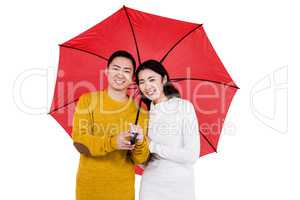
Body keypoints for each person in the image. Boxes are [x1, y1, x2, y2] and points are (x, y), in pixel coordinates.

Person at [72, 50, 150, 200]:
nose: (120, 74)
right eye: (116, 68)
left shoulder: (141, 112)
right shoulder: (88, 100)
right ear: (107, 71)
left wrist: (140, 142)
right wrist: (113, 142)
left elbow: (140, 159)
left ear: (133, 77)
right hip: (89, 189)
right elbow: (79, 143)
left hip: (122, 191)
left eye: (126, 71)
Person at [136, 60, 200, 200]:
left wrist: (152, 145)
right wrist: (137, 146)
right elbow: (143, 163)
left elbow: (191, 155)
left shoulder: (184, 107)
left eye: (151, 79)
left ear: (164, 79)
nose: (147, 86)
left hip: (179, 186)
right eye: (141, 82)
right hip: (150, 187)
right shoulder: (143, 114)